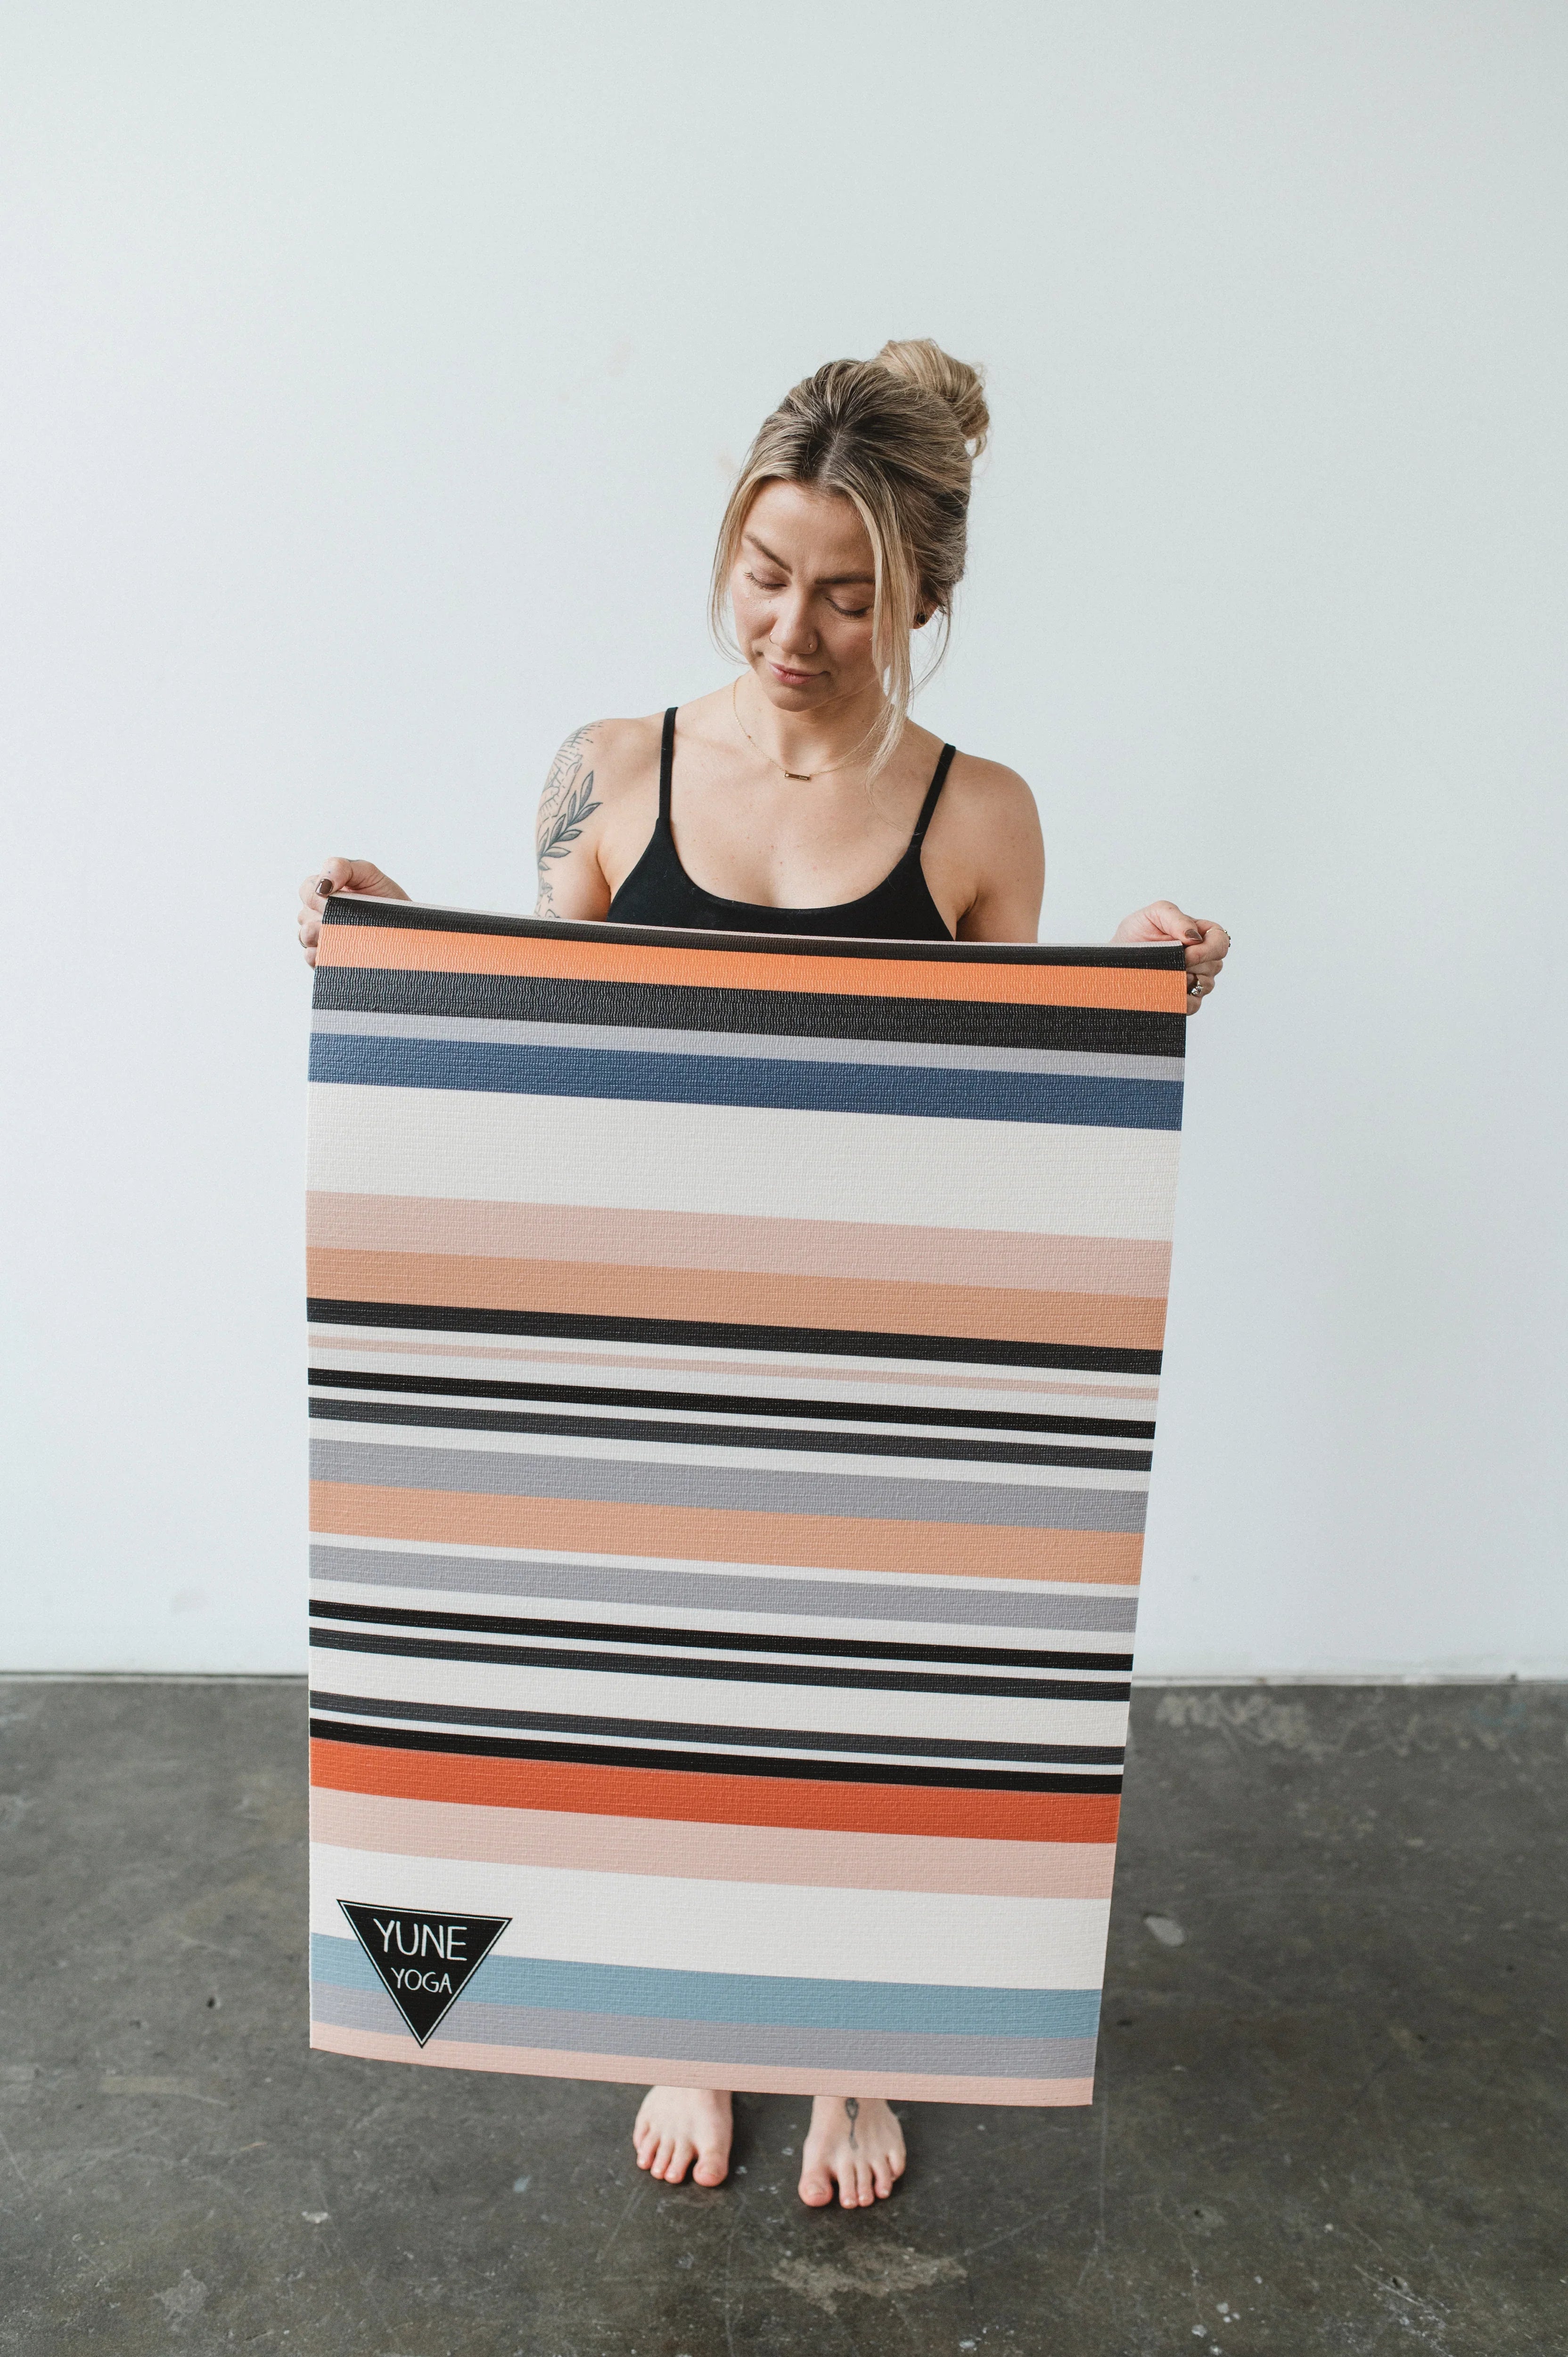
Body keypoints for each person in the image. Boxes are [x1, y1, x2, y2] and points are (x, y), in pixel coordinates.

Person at [297, 338, 1229, 2213]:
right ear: (730, 544)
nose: (791, 627)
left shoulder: (977, 817)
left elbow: (987, 1134)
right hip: (634, 1339)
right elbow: (534, 1071)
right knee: (641, 1669)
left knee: (866, 1675)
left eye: (848, 594)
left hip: (866, 1355)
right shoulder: (607, 773)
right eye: (764, 571)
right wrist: (394, 948)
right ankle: (693, 2008)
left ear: (926, 599)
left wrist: (1128, 990)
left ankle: (850, 2047)